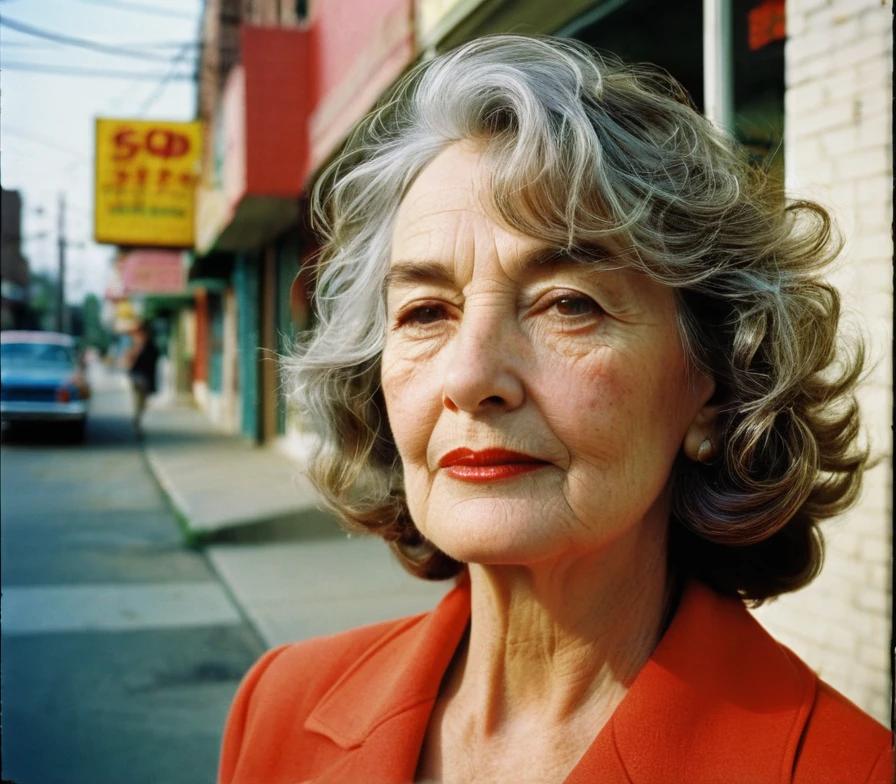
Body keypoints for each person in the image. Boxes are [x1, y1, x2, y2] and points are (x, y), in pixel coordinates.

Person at [218, 36, 893, 783]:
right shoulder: (275, 707)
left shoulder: (850, 769)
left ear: (716, 387)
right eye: (424, 312)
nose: (471, 376)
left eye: (569, 304)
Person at [126, 320, 158, 437]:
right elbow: (129, 360)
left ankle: (137, 420)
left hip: (140, 375)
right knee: (140, 401)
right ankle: (137, 421)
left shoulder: (145, 344)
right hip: (139, 376)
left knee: (141, 402)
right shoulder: (139, 344)